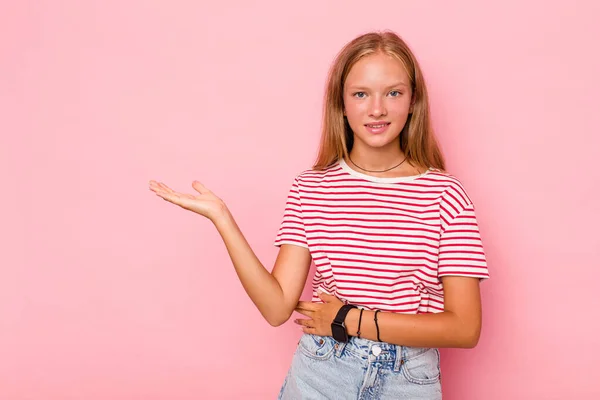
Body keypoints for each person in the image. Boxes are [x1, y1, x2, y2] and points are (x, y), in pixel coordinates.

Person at [149, 30, 489, 400]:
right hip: (321, 372)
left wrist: (349, 319)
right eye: (361, 94)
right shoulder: (311, 188)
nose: (377, 109)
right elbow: (277, 307)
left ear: (412, 102)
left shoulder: (445, 195)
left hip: (408, 380)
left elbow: (465, 328)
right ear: (341, 104)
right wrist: (224, 220)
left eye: (393, 92)